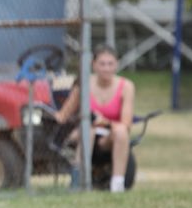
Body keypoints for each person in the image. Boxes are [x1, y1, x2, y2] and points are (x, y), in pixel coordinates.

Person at [54, 44, 136, 193]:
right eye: (102, 64)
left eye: (110, 64)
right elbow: (63, 115)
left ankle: (117, 184)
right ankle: (78, 181)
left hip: (108, 137)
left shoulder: (126, 86)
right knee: (89, 130)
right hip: (82, 133)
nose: (106, 68)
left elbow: (126, 124)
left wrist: (104, 122)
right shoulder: (84, 84)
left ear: (116, 65)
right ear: (94, 65)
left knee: (121, 131)